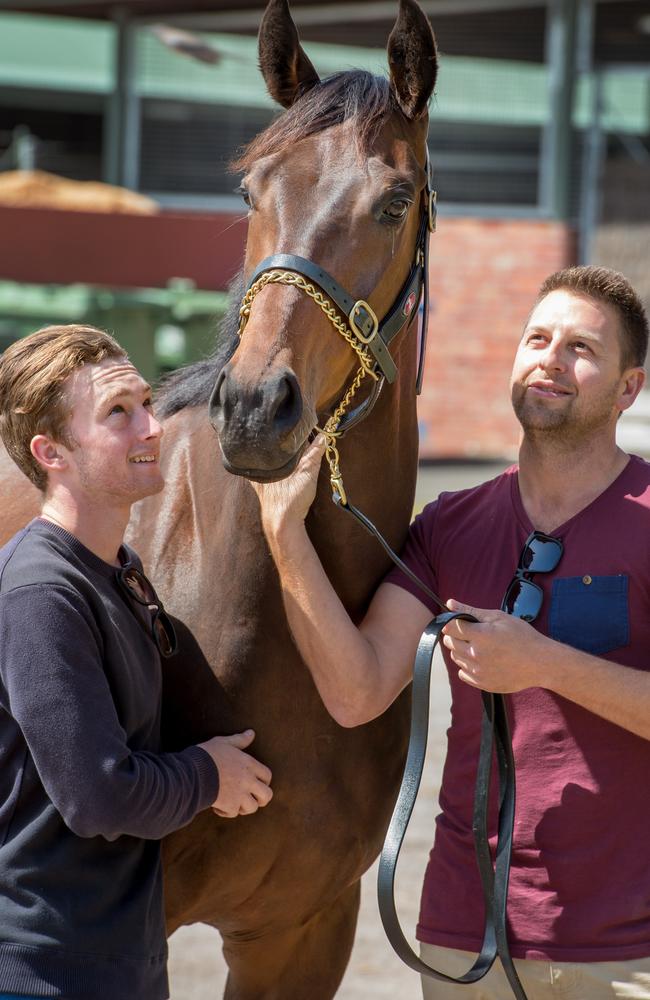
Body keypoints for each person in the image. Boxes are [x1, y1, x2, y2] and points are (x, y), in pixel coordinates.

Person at [252, 265, 650, 999]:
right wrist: (286, 539)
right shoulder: (450, 524)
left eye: (582, 348)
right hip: (468, 937)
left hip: (628, 949)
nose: (551, 358)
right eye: (538, 338)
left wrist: (543, 664)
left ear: (629, 388)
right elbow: (357, 689)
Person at [0, 325, 273, 1000]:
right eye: (118, 414)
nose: (153, 426)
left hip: (115, 965)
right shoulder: (40, 593)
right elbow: (99, 796)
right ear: (51, 452)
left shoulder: (118, 570)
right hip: (45, 972)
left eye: (147, 403)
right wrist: (209, 775)